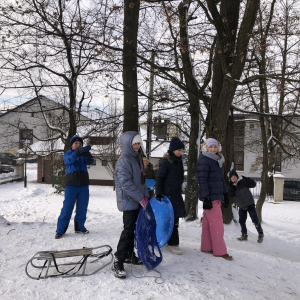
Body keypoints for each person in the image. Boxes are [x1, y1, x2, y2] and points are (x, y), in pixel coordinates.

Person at [113, 131, 149, 279]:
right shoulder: (123, 161)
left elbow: (141, 180)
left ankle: (129, 255)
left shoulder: (138, 158)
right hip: (129, 201)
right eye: (134, 143)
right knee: (128, 231)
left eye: (139, 143)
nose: (137, 145)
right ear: (127, 144)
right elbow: (126, 184)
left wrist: (145, 196)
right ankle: (119, 259)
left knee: (134, 230)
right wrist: (141, 198)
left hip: (138, 200)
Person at [196, 138, 233, 260]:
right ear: (205, 148)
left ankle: (207, 246)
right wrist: (206, 197)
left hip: (216, 195)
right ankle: (220, 251)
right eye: (210, 147)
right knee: (217, 224)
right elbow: (202, 180)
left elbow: (220, 180)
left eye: (215, 147)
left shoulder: (216, 161)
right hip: (211, 196)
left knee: (207, 223)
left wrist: (225, 194)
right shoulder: (205, 160)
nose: (213, 149)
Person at [55, 136, 94, 239]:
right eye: (75, 143)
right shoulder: (67, 154)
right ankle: (60, 230)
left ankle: (79, 227)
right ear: (71, 145)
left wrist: (87, 154)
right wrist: (77, 152)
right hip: (71, 185)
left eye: (79, 143)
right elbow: (69, 161)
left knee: (82, 207)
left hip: (83, 185)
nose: (78, 145)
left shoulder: (82, 155)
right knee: (67, 208)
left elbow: (91, 162)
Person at [155, 136, 186, 255]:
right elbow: (160, 178)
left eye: (182, 150)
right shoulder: (166, 161)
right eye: (178, 150)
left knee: (175, 219)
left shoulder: (178, 162)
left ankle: (171, 241)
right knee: (170, 219)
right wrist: (158, 193)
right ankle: (172, 243)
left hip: (176, 195)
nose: (180, 152)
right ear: (172, 149)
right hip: (167, 196)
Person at [228, 170, 264, 243]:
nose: (233, 178)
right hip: (241, 206)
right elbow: (230, 195)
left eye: (234, 176)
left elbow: (254, 184)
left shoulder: (243, 182)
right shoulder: (232, 187)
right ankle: (244, 235)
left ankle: (260, 234)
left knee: (255, 219)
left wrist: (247, 179)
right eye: (232, 177)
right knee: (241, 221)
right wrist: (231, 186)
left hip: (250, 203)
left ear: (237, 177)